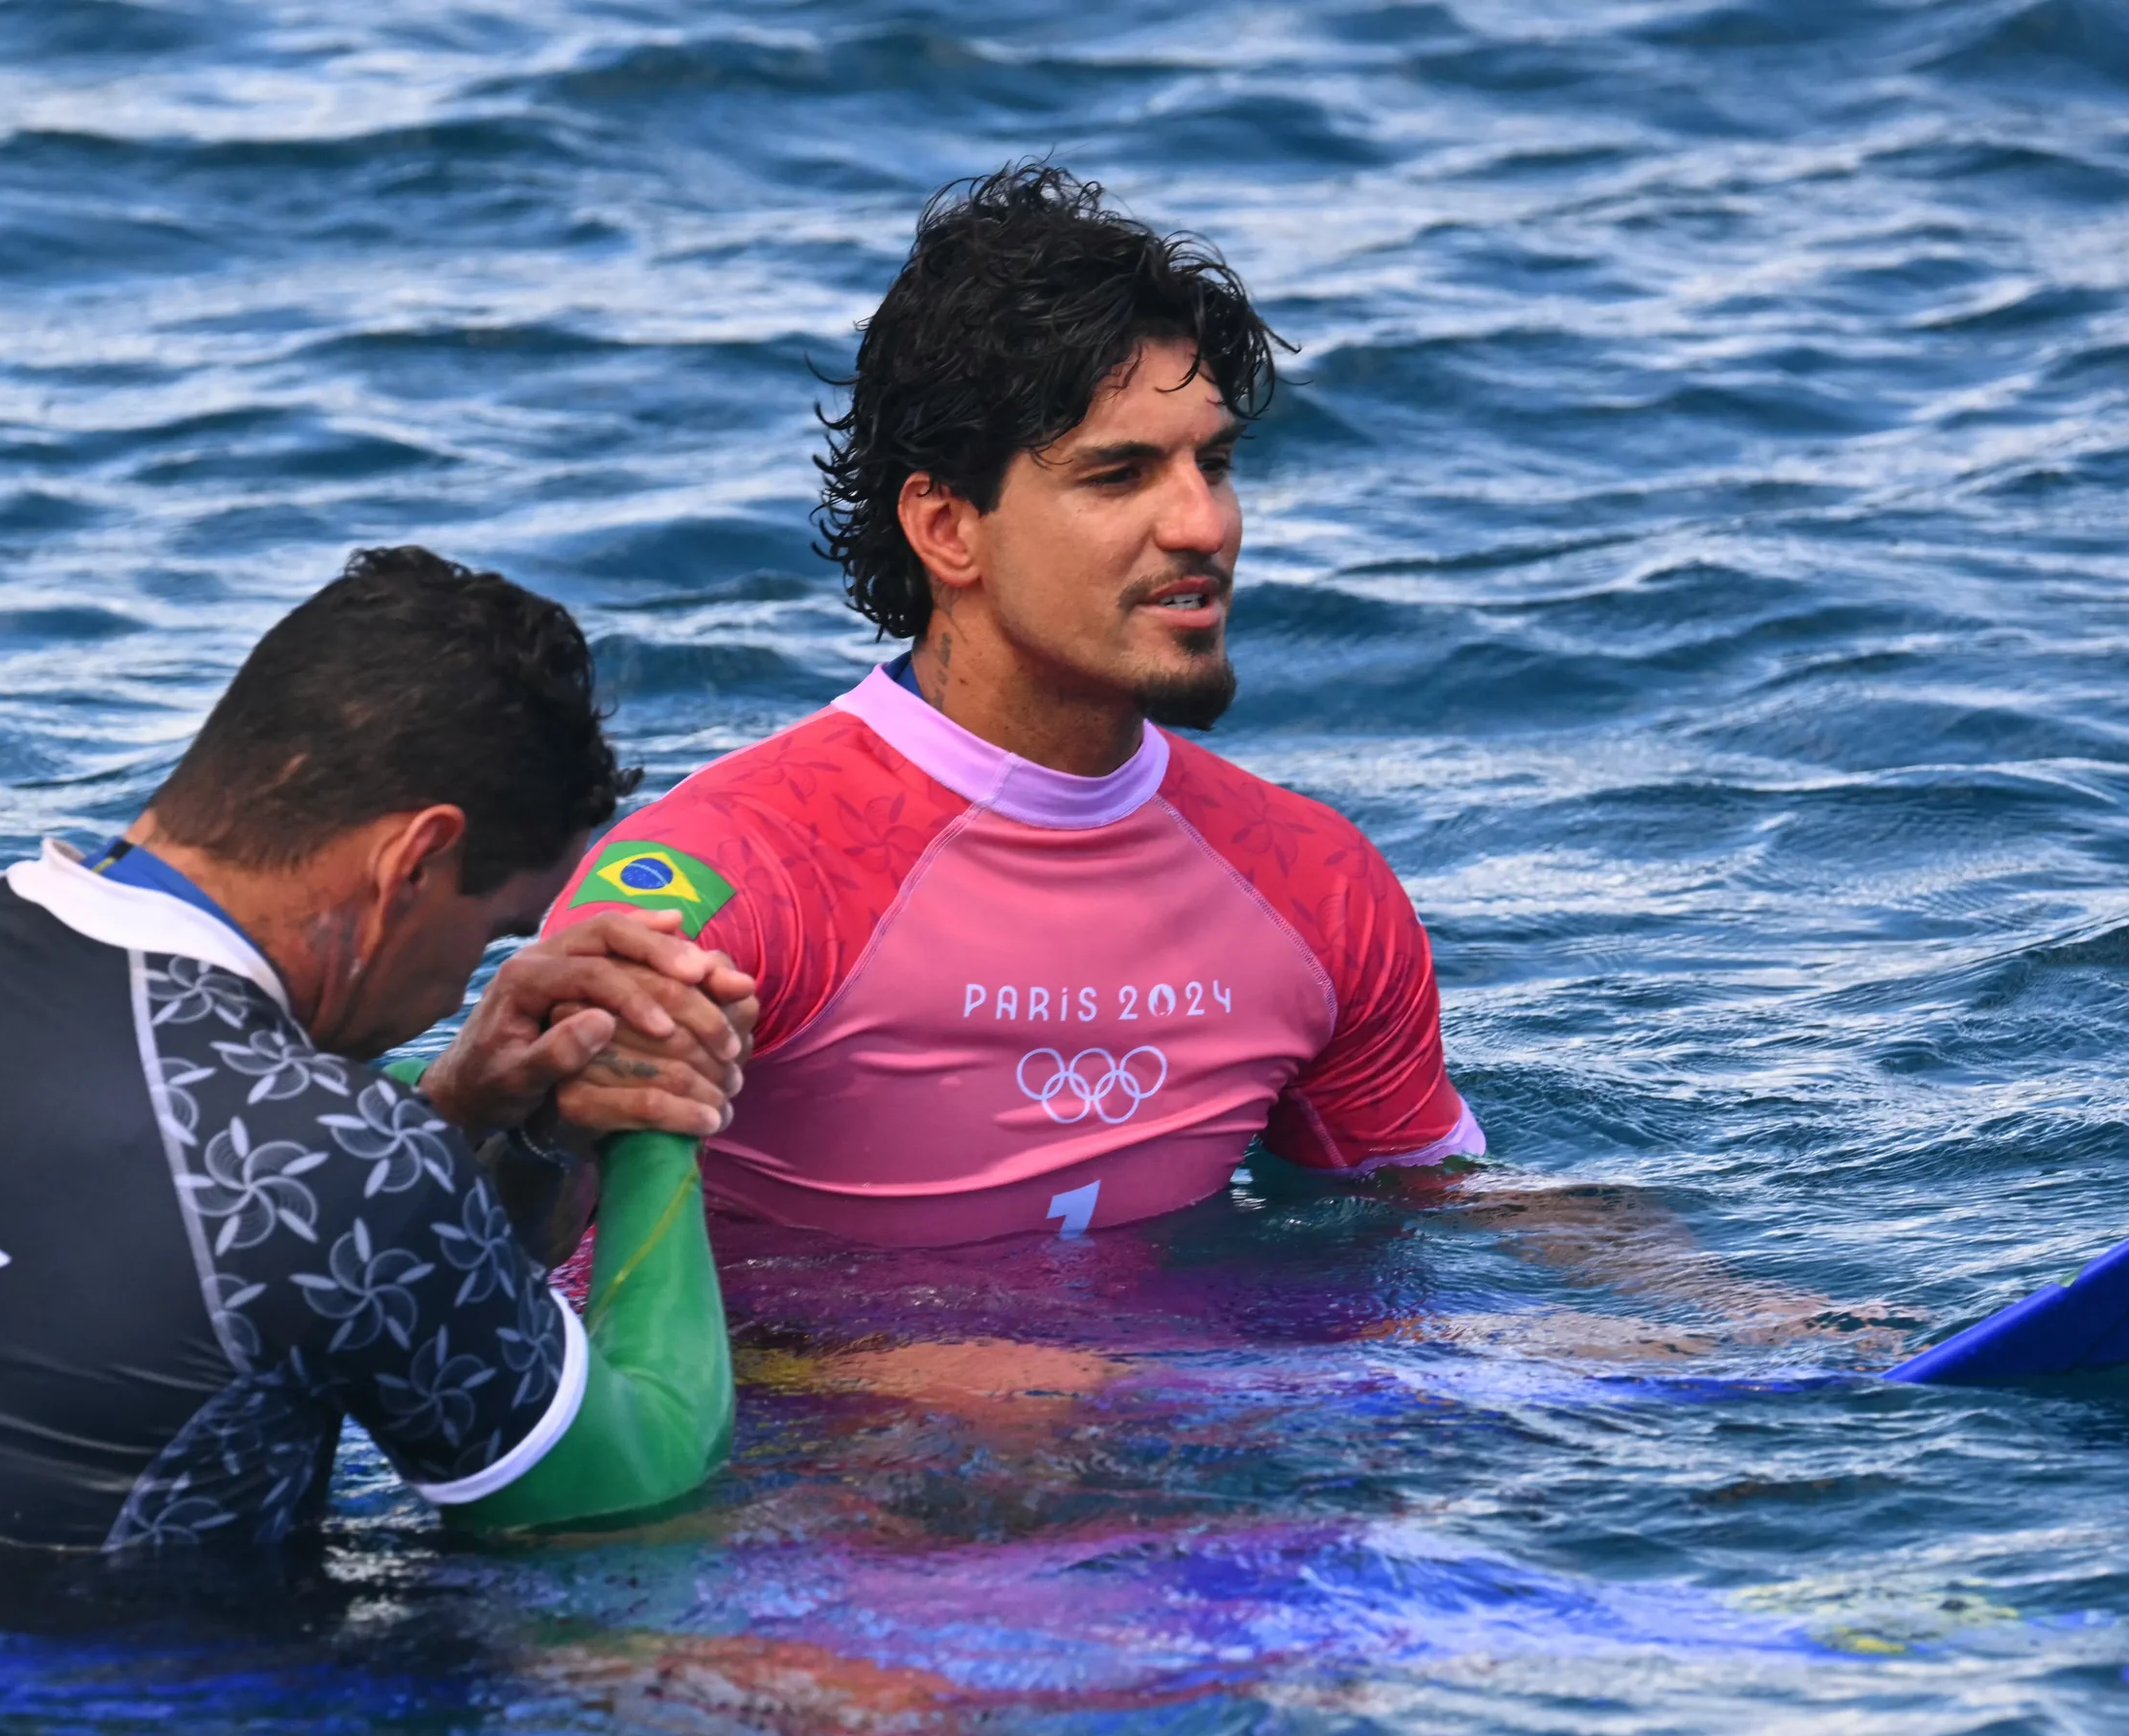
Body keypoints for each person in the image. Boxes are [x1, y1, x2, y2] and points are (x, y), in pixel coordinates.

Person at [0, 546, 755, 1553]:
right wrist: (662, 1099)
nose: (459, 994)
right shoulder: (349, 1157)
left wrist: (459, 1111)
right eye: (490, 936)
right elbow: (618, 1490)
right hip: (155, 1703)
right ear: (415, 860)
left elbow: (148, 1208)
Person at [542, 163, 1482, 1252]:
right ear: (947, 528)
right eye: (1119, 474)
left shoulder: (1320, 888)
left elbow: (1440, 1224)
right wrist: (868, 1377)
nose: (1203, 524)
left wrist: (1706, 1315)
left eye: (1213, 463)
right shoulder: (733, 883)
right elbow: (534, 1290)